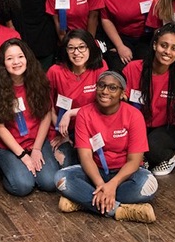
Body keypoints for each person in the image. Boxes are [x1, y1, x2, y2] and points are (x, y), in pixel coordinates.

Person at [53, 70, 158, 223]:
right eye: (101, 86)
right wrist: (101, 185)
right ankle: (120, 211)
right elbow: (86, 157)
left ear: (123, 93)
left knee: (148, 185)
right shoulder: (84, 114)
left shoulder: (134, 115)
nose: (105, 91)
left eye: (112, 88)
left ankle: (82, 202)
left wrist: (112, 186)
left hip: (124, 176)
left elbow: (134, 161)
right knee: (60, 179)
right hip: (95, 174)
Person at [122, 23, 175, 180]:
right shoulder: (133, 69)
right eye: (163, 46)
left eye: (174, 48)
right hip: (138, 126)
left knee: (152, 147)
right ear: (155, 45)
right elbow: (123, 99)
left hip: (166, 128)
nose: (167, 52)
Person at [0, 39, 59, 196]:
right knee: (23, 186)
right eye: (10, 59)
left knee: (50, 182)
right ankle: (4, 167)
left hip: (37, 141)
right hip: (10, 146)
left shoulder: (39, 81)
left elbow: (45, 115)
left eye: (20, 57)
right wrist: (23, 156)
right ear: (3, 63)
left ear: (27, 58)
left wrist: (36, 149)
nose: (16, 62)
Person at [46, 30, 108, 167]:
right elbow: (48, 106)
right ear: (66, 51)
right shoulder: (55, 71)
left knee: (98, 164)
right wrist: (62, 131)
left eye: (81, 47)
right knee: (66, 165)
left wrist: (71, 113)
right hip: (63, 129)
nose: (76, 52)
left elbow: (104, 104)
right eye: (71, 48)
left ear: (90, 48)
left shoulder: (100, 67)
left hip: (91, 127)